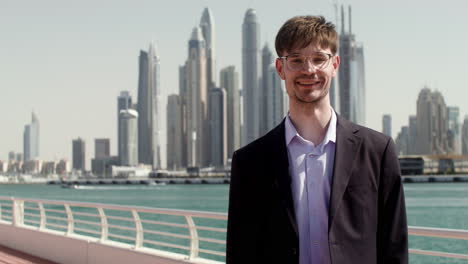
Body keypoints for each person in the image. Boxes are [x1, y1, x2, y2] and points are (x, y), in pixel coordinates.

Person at [226, 15, 408, 264]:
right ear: (281, 68)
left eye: (319, 59)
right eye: (296, 60)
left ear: (335, 65)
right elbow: (241, 252)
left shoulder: (378, 151)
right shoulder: (249, 161)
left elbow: (394, 246)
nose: (308, 69)